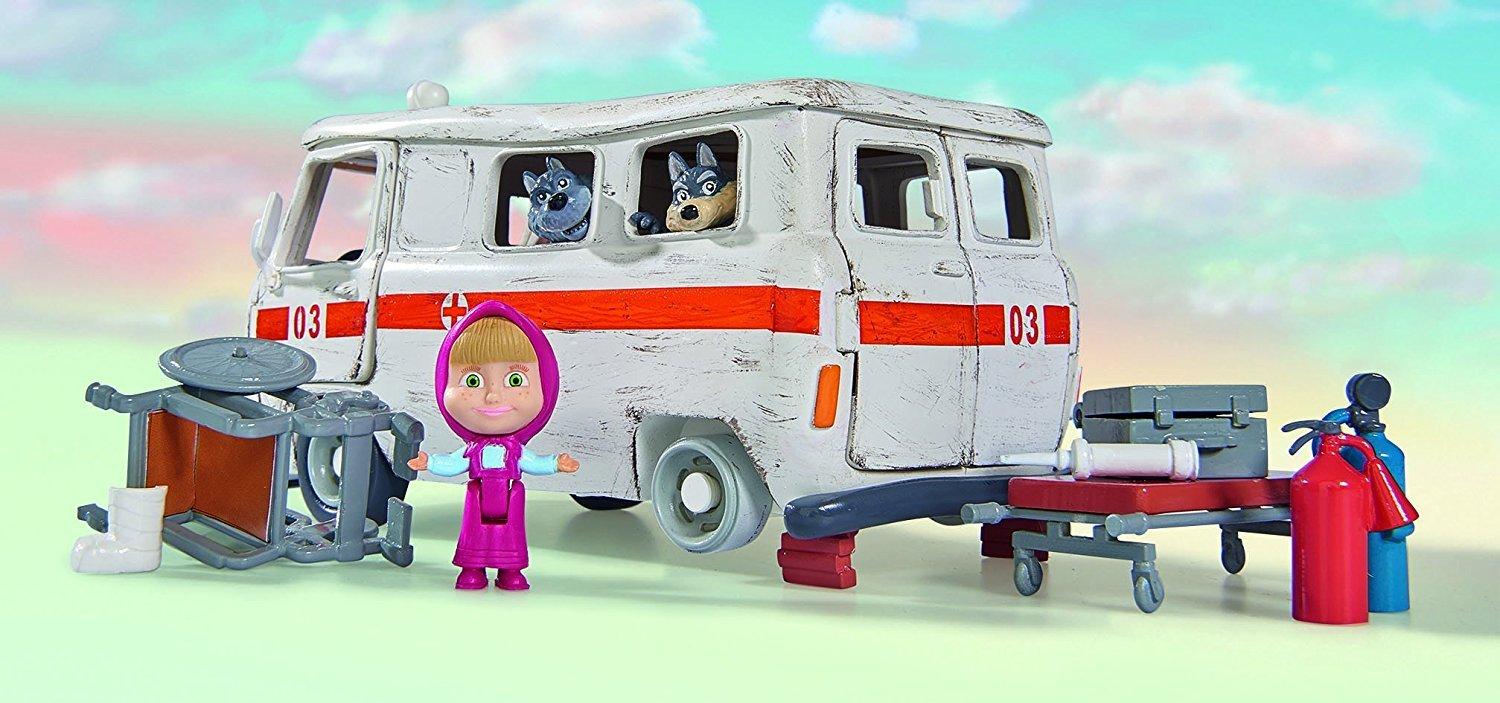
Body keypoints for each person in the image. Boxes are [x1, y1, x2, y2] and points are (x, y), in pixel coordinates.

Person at [408, 301, 579, 590]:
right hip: (477, 500)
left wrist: (554, 464)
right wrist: (431, 463)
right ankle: (471, 568)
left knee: (511, 536)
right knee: (473, 535)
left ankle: (510, 570)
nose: (492, 396)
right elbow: (454, 463)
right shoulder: (472, 450)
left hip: (510, 499)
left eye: (515, 379)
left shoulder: (515, 451)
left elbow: (533, 462)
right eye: (472, 380)